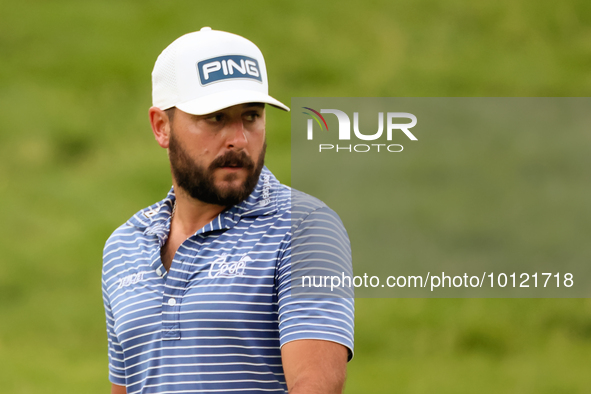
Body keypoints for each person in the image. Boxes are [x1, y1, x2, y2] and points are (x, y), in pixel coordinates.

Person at [102, 27, 354, 394]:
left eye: (251, 116)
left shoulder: (305, 228)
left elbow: (315, 385)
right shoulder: (123, 247)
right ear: (162, 127)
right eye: (216, 118)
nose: (238, 138)